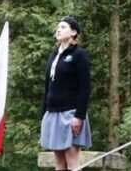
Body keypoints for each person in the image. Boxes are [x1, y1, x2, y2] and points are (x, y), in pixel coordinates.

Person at [40, 17, 92, 171]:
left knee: (72, 161)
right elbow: (47, 86)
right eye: (58, 27)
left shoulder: (79, 55)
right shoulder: (53, 55)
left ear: (74, 32)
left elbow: (85, 88)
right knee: (59, 163)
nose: (58, 29)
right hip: (53, 112)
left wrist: (79, 116)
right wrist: (44, 114)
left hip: (71, 113)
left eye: (63, 27)